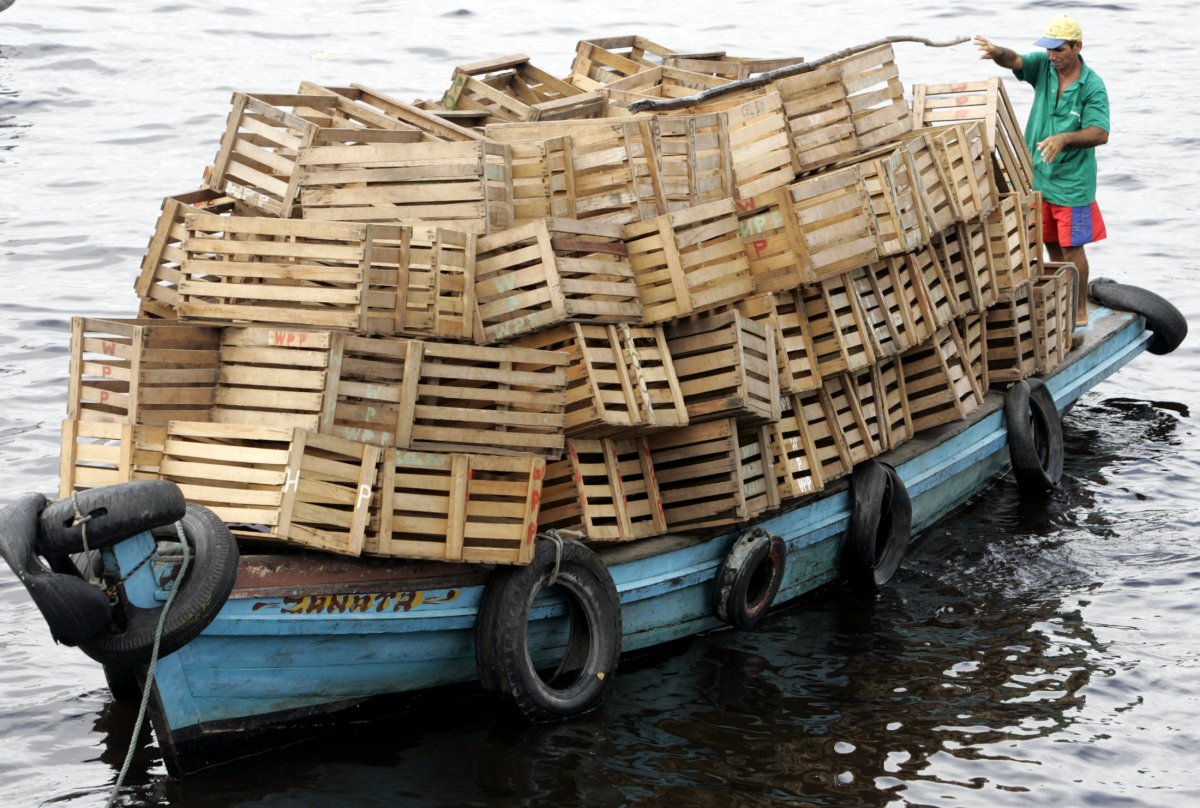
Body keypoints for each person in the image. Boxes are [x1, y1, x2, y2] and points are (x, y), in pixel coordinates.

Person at [974, 16, 1110, 327]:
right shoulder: (1044, 68)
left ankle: (1078, 309)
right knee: (1048, 241)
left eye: (1059, 49)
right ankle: (1061, 299)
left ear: (1077, 47)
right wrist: (996, 51)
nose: (1052, 55)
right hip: (1039, 176)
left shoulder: (1092, 86)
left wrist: (1065, 138)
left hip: (1072, 182)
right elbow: (1015, 60)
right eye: (1048, 49)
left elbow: (1100, 132)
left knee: (1072, 246)